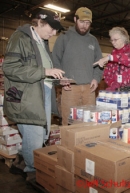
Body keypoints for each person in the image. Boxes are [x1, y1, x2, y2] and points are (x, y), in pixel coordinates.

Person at [3, 10, 65, 181]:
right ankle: (33, 172)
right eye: (52, 29)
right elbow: (10, 68)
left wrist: (57, 80)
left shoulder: (41, 41)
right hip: (27, 95)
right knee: (36, 136)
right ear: (39, 22)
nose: (53, 33)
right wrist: (46, 71)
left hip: (41, 91)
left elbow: (43, 70)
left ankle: (21, 160)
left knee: (42, 134)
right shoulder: (20, 38)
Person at [52, 7, 103, 125]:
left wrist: (96, 78)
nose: (84, 26)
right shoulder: (64, 37)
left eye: (87, 23)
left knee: (89, 122)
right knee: (68, 122)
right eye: (81, 22)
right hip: (70, 89)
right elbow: (55, 61)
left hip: (89, 89)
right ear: (75, 19)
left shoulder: (93, 40)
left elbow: (99, 62)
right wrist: (61, 80)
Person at [94, 27, 130, 122]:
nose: (113, 42)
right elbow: (108, 73)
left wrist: (108, 58)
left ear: (124, 38)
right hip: (122, 95)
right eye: (111, 40)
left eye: (115, 39)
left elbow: (127, 59)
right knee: (125, 121)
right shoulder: (113, 54)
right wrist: (112, 85)